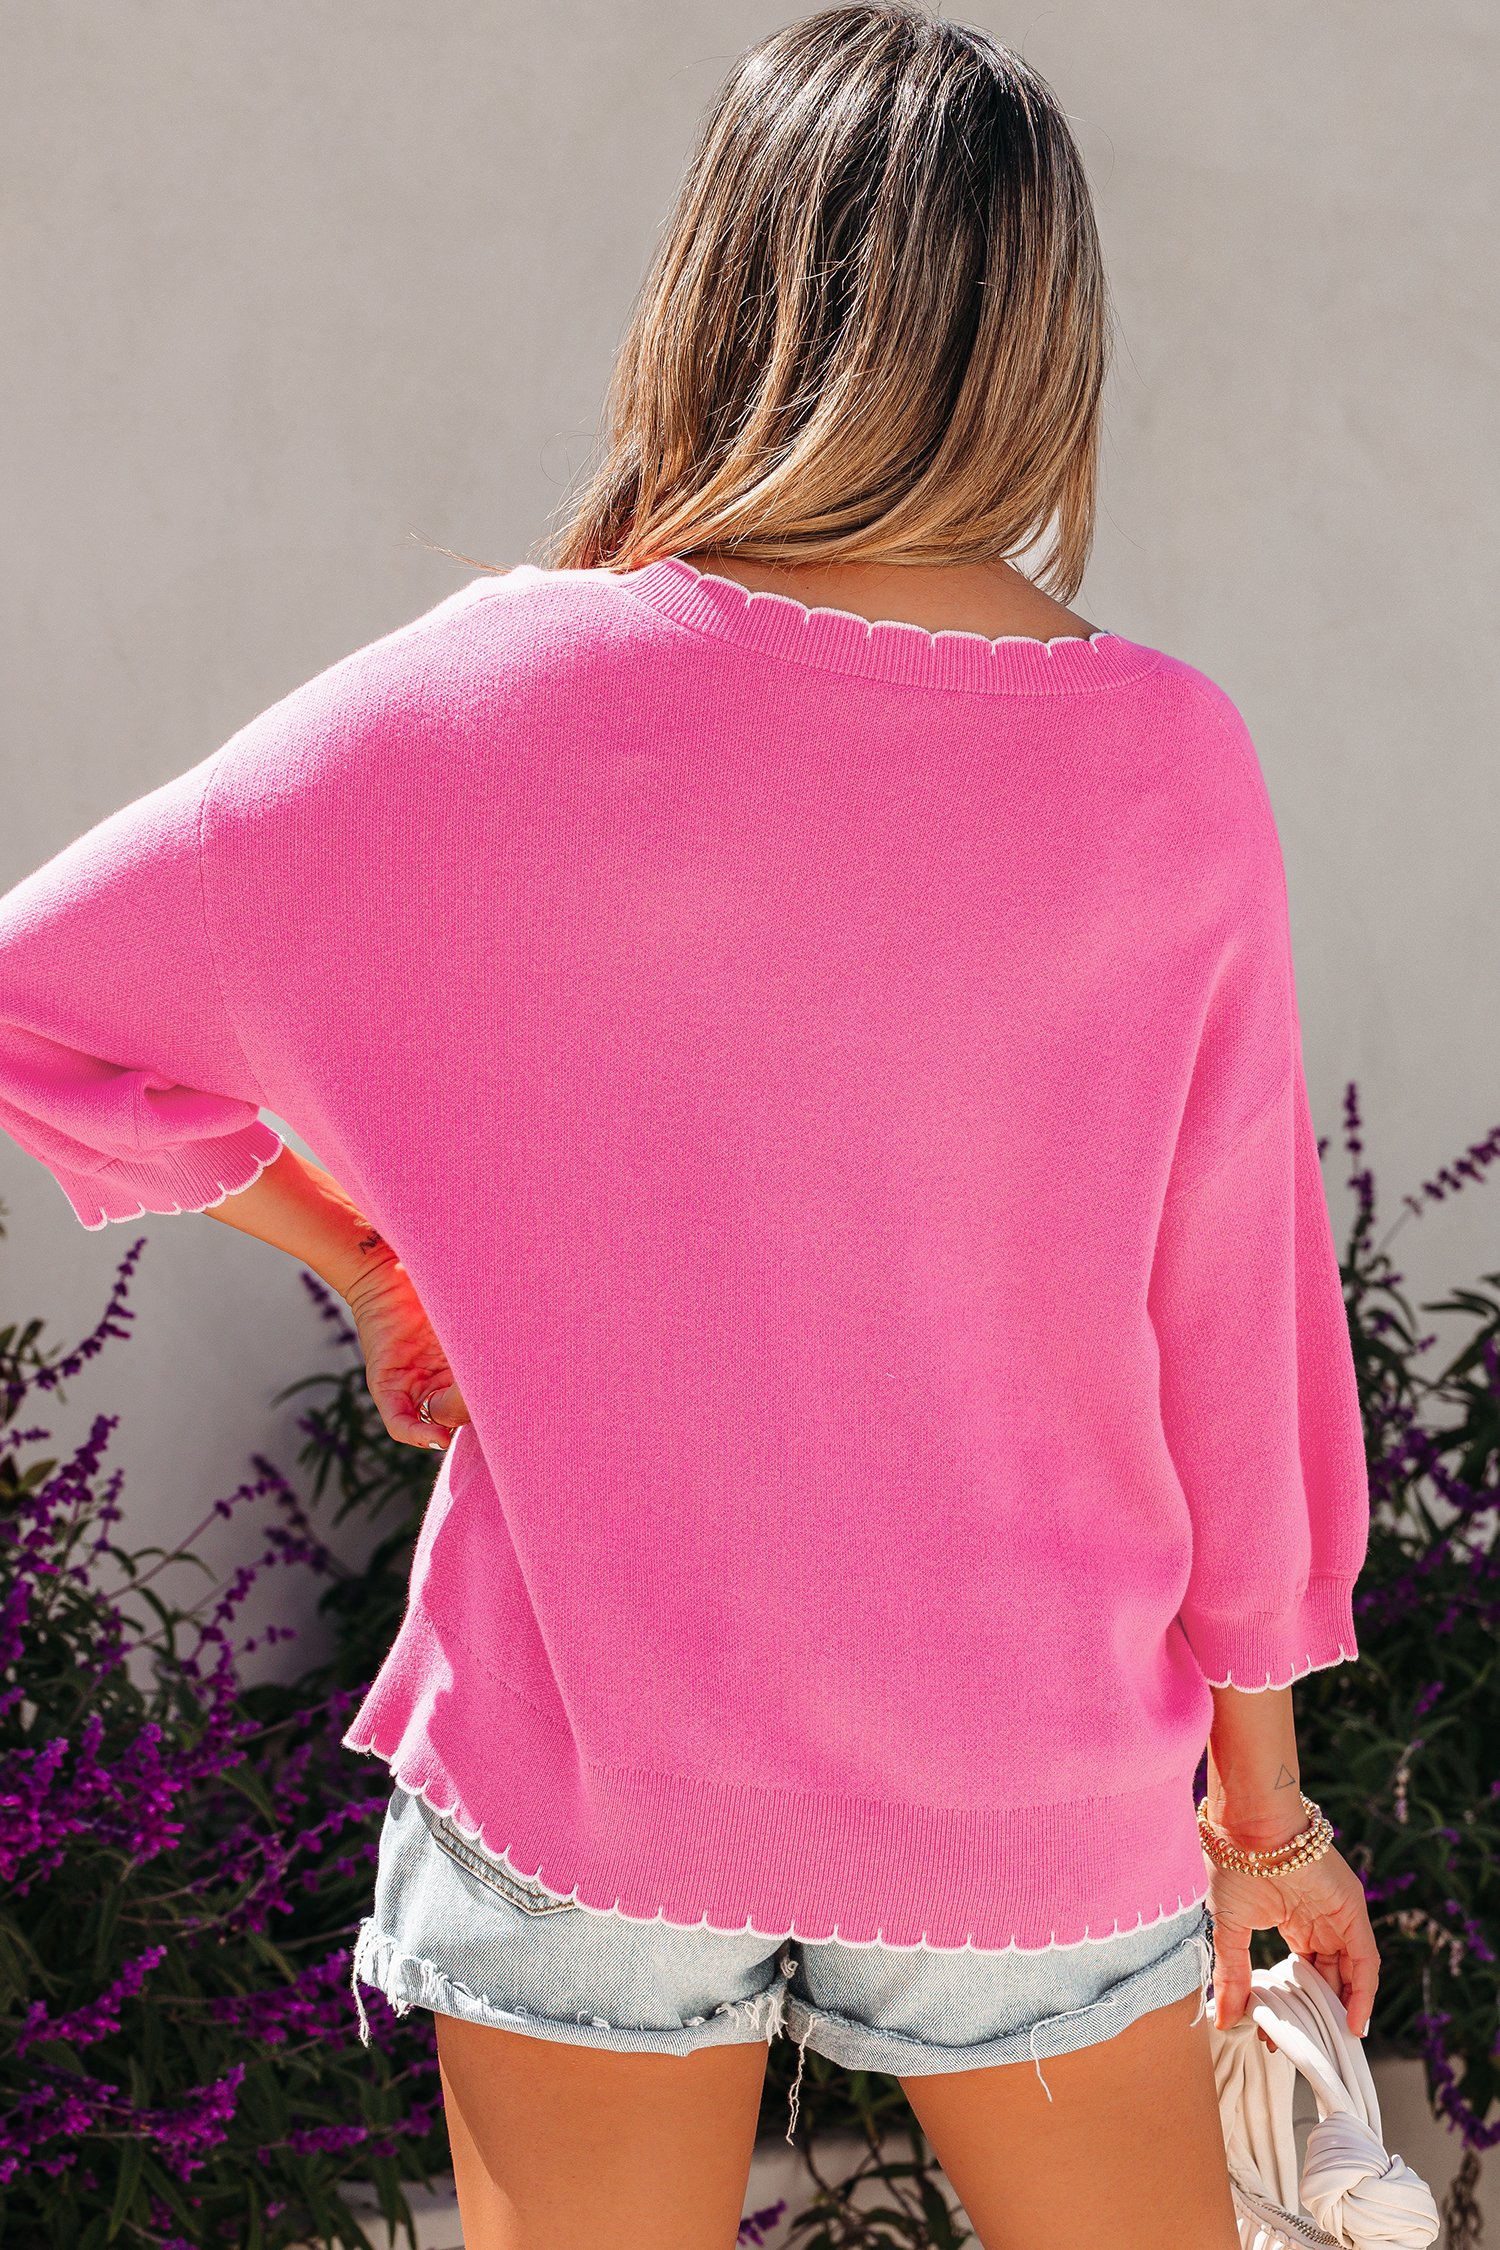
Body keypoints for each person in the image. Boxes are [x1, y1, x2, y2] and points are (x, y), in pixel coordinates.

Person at [0, 7, 1380, 2245]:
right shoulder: (1166, 769)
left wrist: (363, 1257)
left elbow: (41, 1000)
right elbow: (1231, 1322)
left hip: (588, 1769)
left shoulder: (483, 699)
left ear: (720, 295)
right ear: (1043, 338)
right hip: (1024, 1777)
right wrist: (1267, 1816)